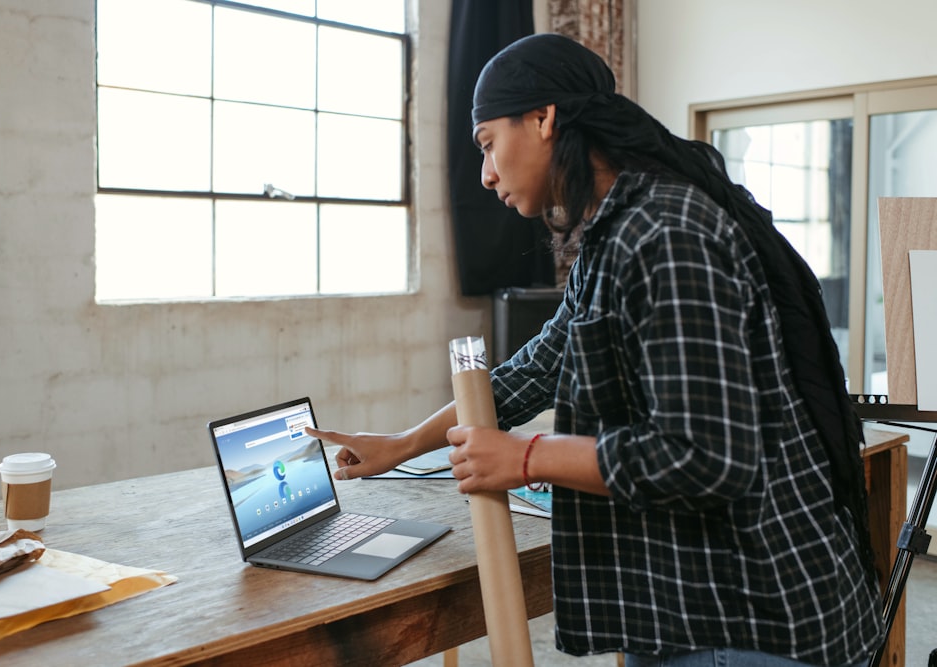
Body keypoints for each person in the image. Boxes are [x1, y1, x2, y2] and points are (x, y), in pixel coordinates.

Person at [308, 33, 882, 667]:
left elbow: (704, 459)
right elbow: (536, 370)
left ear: (543, 119)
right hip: (700, 609)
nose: (486, 173)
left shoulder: (664, 233)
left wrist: (527, 457)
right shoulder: (616, 232)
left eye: (488, 144)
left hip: (750, 617)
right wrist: (403, 445)